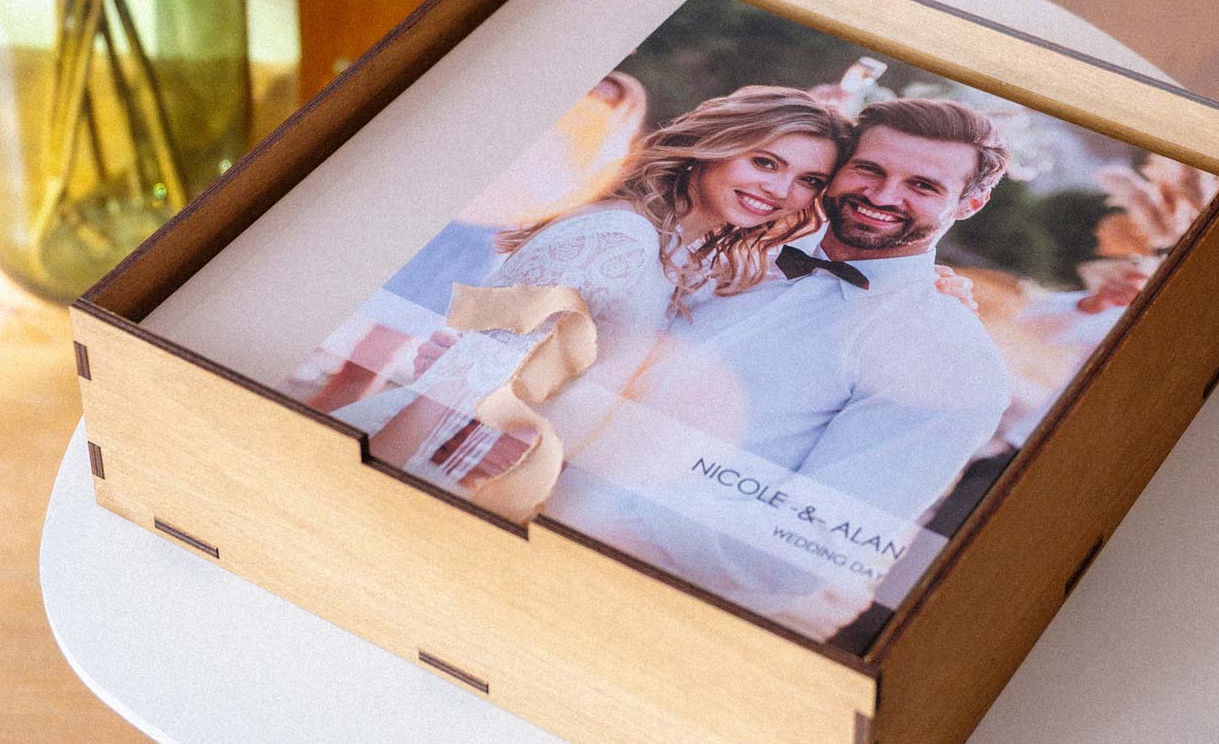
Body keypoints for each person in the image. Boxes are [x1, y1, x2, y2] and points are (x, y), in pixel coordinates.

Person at [542, 96, 1016, 642]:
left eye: (923, 186)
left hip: (635, 602)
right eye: (869, 169)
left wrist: (577, 505)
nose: (883, 196)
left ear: (971, 203)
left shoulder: (949, 360)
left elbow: (796, 551)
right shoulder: (743, 241)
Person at [343, 86, 849, 499]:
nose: (780, 191)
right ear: (714, 146)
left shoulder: (684, 256)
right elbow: (462, 377)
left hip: (497, 476)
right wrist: (376, 481)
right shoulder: (620, 238)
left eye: (808, 180)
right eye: (765, 163)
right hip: (431, 463)